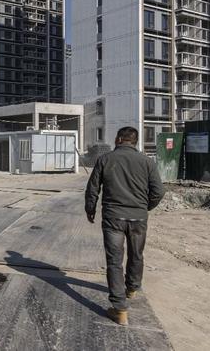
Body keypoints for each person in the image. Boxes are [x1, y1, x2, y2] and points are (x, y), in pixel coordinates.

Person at [84, 126, 164, 326]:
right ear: (135, 141)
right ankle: (132, 288)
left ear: (119, 139)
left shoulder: (105, 159)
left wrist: (90, 209)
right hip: (138, 218)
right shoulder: (147, 161)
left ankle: (120, 309)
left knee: (114, 261)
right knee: (136, 254)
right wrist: (144, 207)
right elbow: (158, 191)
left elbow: (93, 188)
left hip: (113, 218)